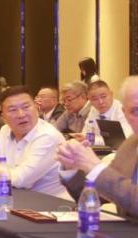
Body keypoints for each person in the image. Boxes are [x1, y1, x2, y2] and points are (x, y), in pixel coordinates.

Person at [59, 76, 138, 220]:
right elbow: (99, 196)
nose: (100, 102)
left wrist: (95, 168)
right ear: (125, 113)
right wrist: (72, 168)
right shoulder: (129, 146)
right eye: (135, 111)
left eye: (104, 96)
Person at [0, 86, 67, 197]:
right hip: (15, 198)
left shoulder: (47, 136)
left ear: (36, 108)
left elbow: (22, 179)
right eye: (13, 110)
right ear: (3, 116)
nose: (21, 114)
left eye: (26, 107)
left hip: (50, 203)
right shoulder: (5, 130)